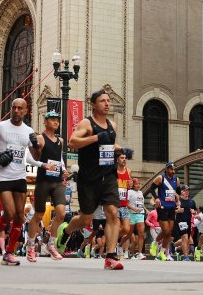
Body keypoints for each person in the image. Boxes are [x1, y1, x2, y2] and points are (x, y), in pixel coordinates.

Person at [58, 88, 125, 270]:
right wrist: (95, 137)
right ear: (93, 105)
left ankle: (110, 256)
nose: (107, 103)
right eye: (103, 101)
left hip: (108, 174)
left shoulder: (113, 125)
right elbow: (72, 142)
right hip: (89, 178)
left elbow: (110, 144)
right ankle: (66, 230)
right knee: (85, 219)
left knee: (112, 212)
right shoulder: (86, 124)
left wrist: (121, 150)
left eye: (108, 100)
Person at [0, 98, 42, 266]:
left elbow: (36, 156)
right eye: (14, 108)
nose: (16, 111)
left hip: (20, 176)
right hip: (3, 176)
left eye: (19, 108)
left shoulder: (28, 130)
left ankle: (8, 253)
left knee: (19, 217)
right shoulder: (0, 126)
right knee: (8, 214)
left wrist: (37, 145)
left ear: (25, 111)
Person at [25, 110, 67, 261]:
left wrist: (64, 169)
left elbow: (59, 158)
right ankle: (30, 247)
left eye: (57, 119)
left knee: (62, 213)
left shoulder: (60, 141)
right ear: (46, 121)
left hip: (56, 181)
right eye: (53, 119)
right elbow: (30, 158)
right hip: (43, 181)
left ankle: (51, 244)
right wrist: (42, 164)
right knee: (38, 215)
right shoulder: (40, 138)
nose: (56, 122)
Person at [151, 162, 180, 261]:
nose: (173, 171)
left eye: (174, 169)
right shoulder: (161, 178)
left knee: (169, 233)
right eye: (171, 169)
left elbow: (178, 192)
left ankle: (161, 252)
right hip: (162, 206)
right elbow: (151, 189)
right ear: (167, 169)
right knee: (165, 230)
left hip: (172, 207)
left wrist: (178, 199)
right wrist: (156, 198)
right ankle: (155, 242)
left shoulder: (177, 179)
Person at [174, 185, 197, 261]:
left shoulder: (192, 201)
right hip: (180, 221)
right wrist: (178, 210)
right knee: (185, 238)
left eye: (188, 190)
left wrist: (194, 212)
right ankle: (186, 257)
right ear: (181, 192)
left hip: (188, 222)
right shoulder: (178, 200)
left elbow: (195, 211)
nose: (187, 192)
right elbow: (173, 210)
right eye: (185, 190)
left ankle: (178, 250)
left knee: (187, 240)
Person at [126, 178, 146, 259]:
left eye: (139, 184)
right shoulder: (129, 192)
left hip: (140, 214)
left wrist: (145, 209)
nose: (138, 185)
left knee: (141, 234)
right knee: (129, 235)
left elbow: (141, 204)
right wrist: (134, 209)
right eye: (136, 184)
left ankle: (139, 253)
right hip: (131, 215)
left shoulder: (141, 192)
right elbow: (126, 203)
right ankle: (125, 250)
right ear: (133, 185)